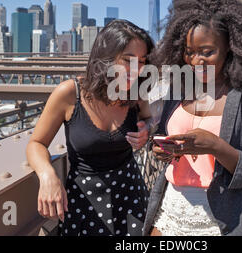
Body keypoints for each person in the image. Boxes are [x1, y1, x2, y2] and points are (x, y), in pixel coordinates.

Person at [143, 0, 242, 236]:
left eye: (207, 52)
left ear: (230, 47)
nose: (196, 61)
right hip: (171, 211)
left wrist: (215, 147)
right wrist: (161, 149)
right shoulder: (178, 89)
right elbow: (162, 136)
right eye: (189, 52)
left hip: (229, 217)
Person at [26, 19, 154, 236]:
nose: (136, 70)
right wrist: (47, 175)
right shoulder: (69, 94)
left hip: (131, 196)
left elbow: (149, 119)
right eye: (127, 60)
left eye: (142, 62)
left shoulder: (137, 93)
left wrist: (146, 131)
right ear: (106, 58)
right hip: (84, 201)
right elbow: (36, 143)